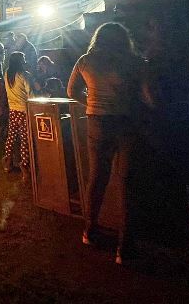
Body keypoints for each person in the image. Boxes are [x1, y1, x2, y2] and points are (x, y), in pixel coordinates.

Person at [67, 22, 155, 265]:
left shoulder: (86, 60)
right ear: (124, 39)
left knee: (96, 177)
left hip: (96, 122)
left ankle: (90, 231)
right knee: (126, 183)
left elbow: (71, 90)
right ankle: (124, 249)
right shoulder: (135, 62)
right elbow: (149, 97)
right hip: (126, 123)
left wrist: (90, 104)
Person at [2, 51, 31, 179]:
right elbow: (30, 92)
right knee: (24, 139)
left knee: (11, 136)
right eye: (23, 58)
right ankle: (24, 165)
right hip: (24, 110)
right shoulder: (23, 74)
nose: (25, 60)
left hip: (13, 109)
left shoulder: (7, 74)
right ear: (20, 61)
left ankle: (7, 162)